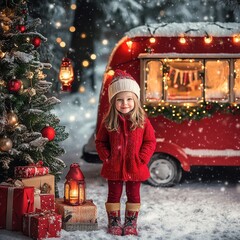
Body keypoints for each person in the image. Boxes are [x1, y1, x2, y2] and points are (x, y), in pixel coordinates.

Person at [95, 69, 156, 236]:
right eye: (120, 100)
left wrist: (142, 157)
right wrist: (107, 156)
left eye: (129, 99)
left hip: (135, 166)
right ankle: (114, 221)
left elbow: (150, 141)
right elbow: (100, 141)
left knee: (133, 195)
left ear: (135, 100)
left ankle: (131, 222)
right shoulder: (109, 121)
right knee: (113, 195)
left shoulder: (142, 121)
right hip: (114, 166)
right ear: (113, 102)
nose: (125, 103)